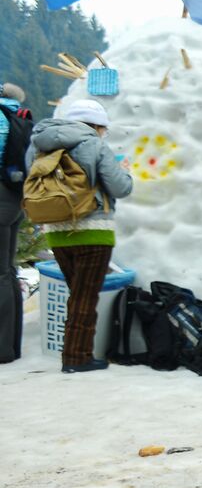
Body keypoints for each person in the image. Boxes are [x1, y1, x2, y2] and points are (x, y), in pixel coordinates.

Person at [24, 99, 133, 372]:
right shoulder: (94, 144)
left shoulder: (39, 144)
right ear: (97, 126)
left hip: (56, 231)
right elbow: (120, 188)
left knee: (77, 294)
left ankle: (76, 353)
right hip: (93, 231)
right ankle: (76, 358)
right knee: (85, 296)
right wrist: (126, 173)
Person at [0, 82, 33, 364]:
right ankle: (12, 345)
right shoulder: (16, 116)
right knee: (8, 271)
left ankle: (3, 350)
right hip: (14, 199)